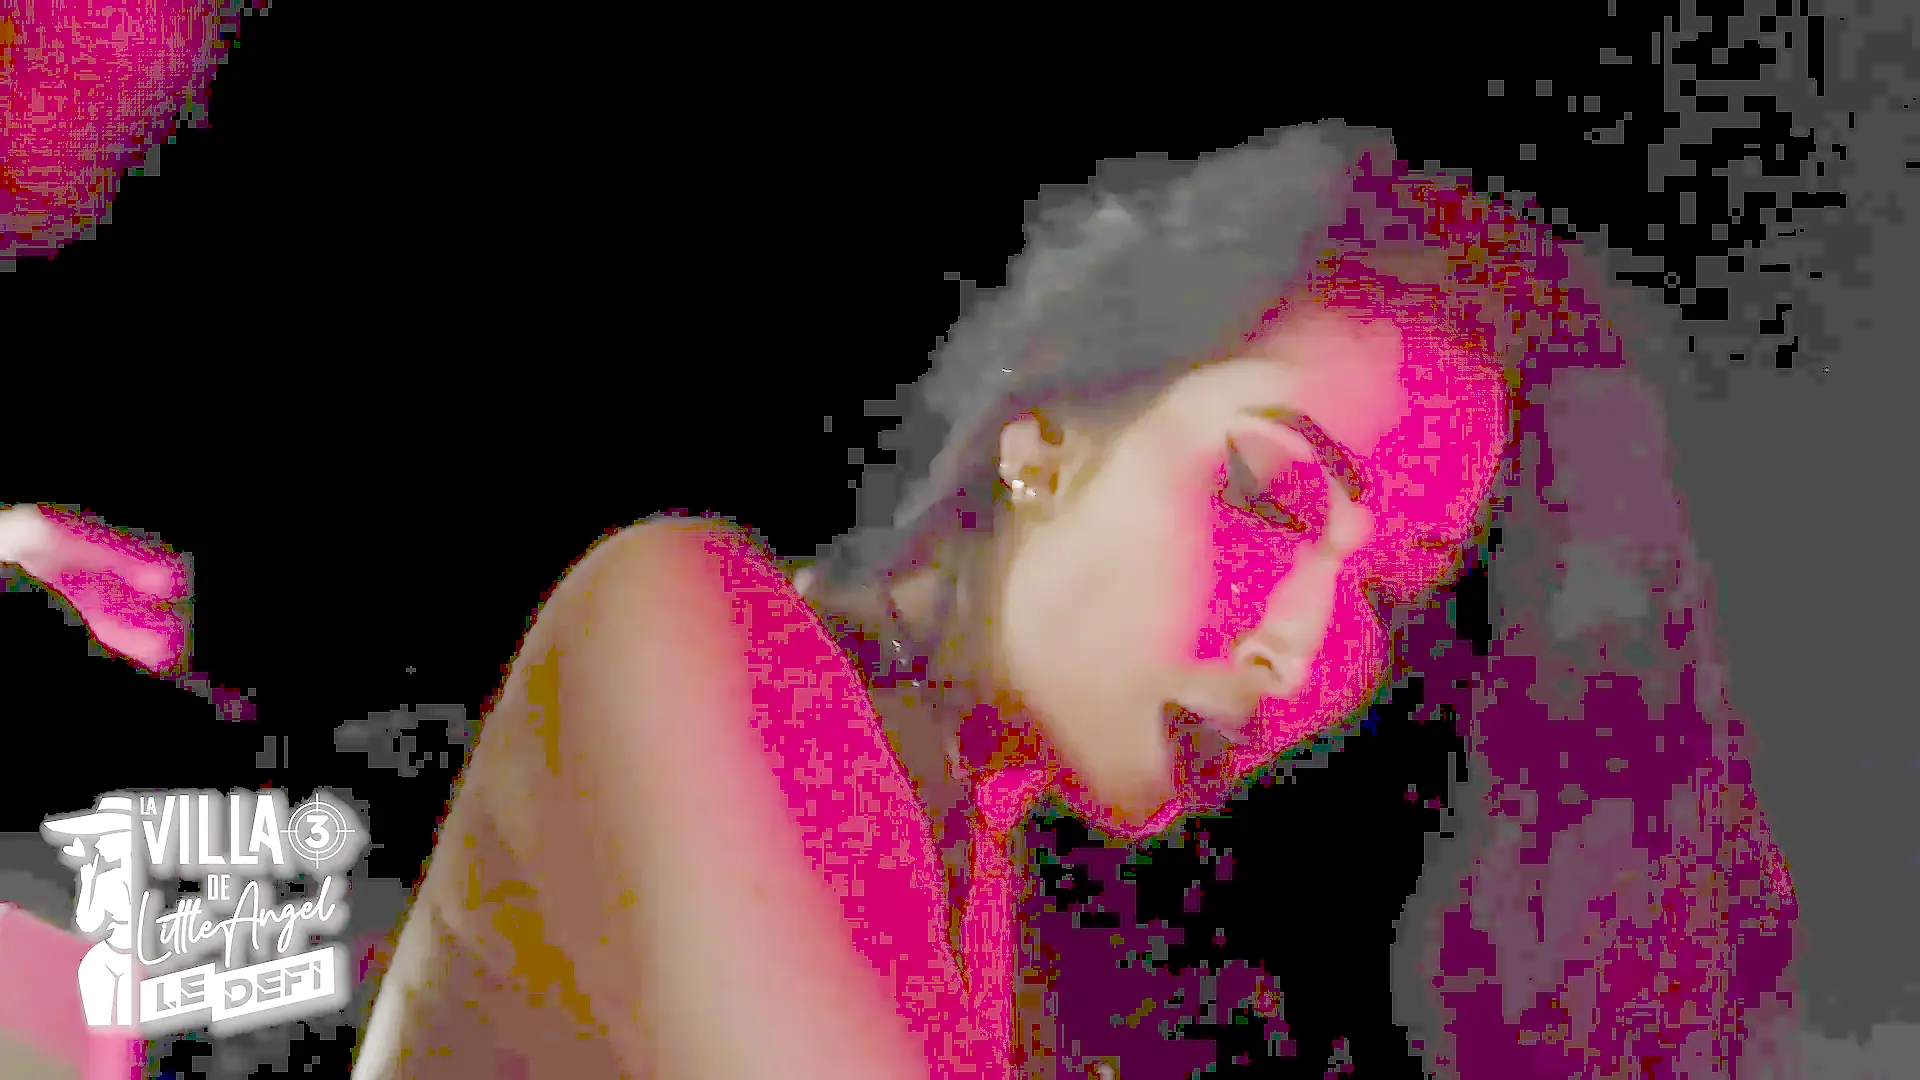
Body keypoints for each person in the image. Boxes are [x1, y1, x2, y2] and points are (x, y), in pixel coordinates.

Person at [351, 123, 1800, 1078]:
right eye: (1270, 497)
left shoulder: (989, 894)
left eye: (1384, 593)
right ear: (1044, 425)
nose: (1306, 650)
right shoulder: (683, 623)